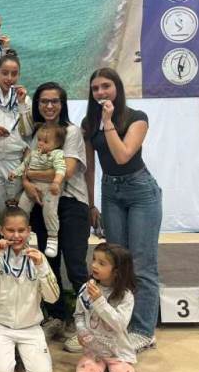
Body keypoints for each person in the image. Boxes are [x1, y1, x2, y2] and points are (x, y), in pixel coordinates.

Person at [83, 67, 161, 353]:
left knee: (141, 262)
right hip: (110, 191)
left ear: (117, 87)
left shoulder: (137, 118)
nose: (101, 92)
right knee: (114, 262)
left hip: (141, 191)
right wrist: (91, 203)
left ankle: (143, 330)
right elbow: (91, 168)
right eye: (95, 88)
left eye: (106, 86)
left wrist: (108, 121)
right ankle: (117, 324)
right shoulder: (88, 123)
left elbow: (123, 155)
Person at [25, 82, 90, 345]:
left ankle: (88, 324)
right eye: (44, 101)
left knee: (75, 266)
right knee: (47, 265)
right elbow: (26, 165)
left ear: (62, 104)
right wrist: (26, 182)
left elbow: (67, 171)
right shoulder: (37, 133)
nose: (49, 106)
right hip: (43, 203)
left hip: (71, 203)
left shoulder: (71, 132)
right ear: (37, 105)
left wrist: (30, 174)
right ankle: (57, 316)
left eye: (54, 101)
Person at [0, 206, 59, 372]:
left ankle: (20, 353)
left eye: (21, 230)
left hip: (30, 327)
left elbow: (53, 298)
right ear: (1, 230)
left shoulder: (38, 258)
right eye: (10, 230)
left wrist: (41, 268)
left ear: (29, 231)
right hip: (0, 325)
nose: (16, 236)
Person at [74, 243, 139, 372]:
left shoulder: (126, 296)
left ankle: (114, 369)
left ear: (116, 271)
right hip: (93, 351)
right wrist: (82, 332)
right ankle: (99, 368)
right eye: (94, 259)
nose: (94, 265)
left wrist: (99, 301)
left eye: (102, 263)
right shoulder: (86, 288)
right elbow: (79, 315)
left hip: (117, 353)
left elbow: (119, 325)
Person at [11, 124, 67, 258]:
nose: (41, 143)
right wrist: (15, 173)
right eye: (39, 140)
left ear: (57, 144)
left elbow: (61, 169)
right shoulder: (34, 153)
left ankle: (53, 237)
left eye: (45, 141)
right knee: (21, 208)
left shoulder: (57, 154)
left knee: (49, 211)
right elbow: (24, 165)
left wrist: (56, 182)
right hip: (32, 185)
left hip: (50, 187)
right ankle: (23, 236)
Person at [0, 52, 32, 212]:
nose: (9, 78)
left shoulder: (25, 99)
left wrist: (21, 104)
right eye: (5, 73)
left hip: (15, 160)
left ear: (19, 75)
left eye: (14, 74)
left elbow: (28, 131)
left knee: (15, 206)